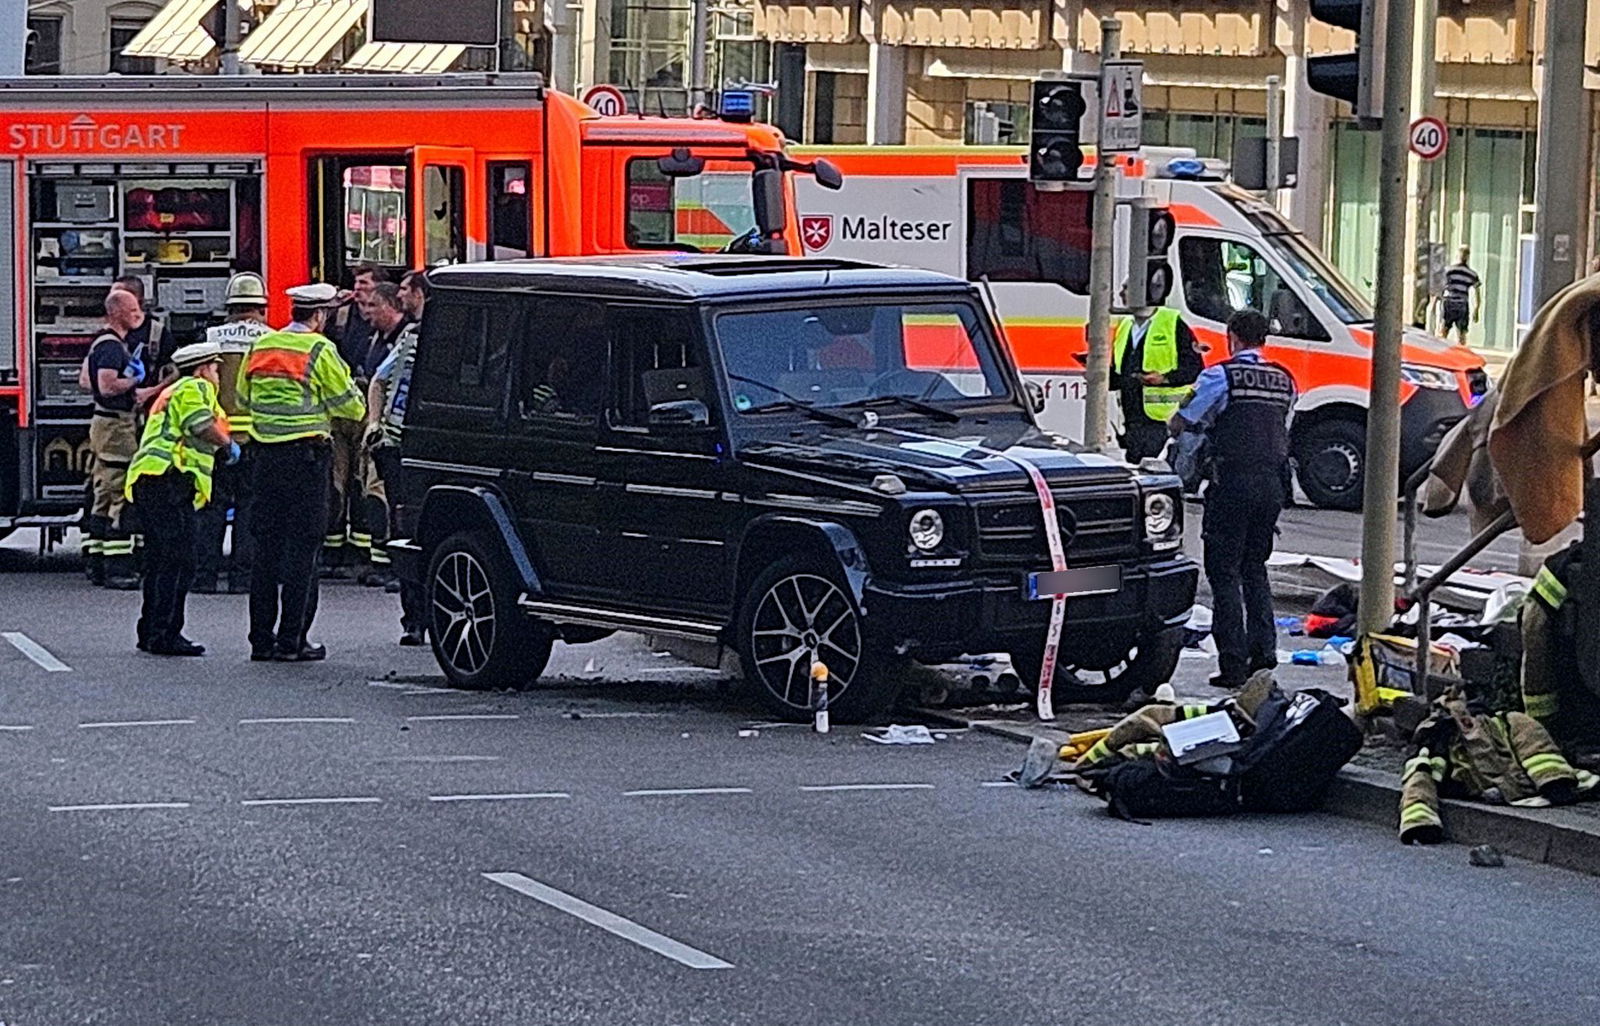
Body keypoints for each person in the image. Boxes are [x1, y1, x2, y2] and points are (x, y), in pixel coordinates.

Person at [238, 283, 366, 662]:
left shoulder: (261, 346)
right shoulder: (320, 350)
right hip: (306, 462)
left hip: (265, 460)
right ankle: (292, 640)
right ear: (320, 316)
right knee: (303, 551)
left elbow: (243, 398)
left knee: (266, 551)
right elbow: (351, 408)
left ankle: (261, 640)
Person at [1169, 309, 1297, 690]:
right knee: (1255, 567)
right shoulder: (1284, 380)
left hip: (1232, 481)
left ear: (1232, 337)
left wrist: (1182, 433)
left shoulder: (1220, 376)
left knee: (1224, 571)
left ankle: (1233, 663)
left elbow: (1183, 419)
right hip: (1272, 485)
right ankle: (1264, 652)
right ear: (1263, 340)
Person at [125, 342, 238, 656]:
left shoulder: (171, 391)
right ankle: (166, 634)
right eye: (215, 368)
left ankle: (151, 630)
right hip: (170, 478)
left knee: (159, 559)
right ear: (202, 369)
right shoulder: (194, 387)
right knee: (180, 560)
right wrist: (227, 445)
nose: (217, 375)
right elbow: (199, 424)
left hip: (152, 479)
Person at [194, 272, 273, 594]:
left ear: (229, 307)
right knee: (249, 509)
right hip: (256, 439)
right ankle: (243, 578)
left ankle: (205, 577)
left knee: (211, 508)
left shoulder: (210, 338)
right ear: (262, 308)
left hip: (217, 437)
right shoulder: (271, 339)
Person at [85, 289, 163, 589]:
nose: (138, 314)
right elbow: (106, 386)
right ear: (116, 312)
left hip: (106, 424)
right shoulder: (111, 347)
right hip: (116, 427)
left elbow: (87, 381)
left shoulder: (104, 343)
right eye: (132, 310)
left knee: (103, 494)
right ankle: (118, 568)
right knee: (120, 492)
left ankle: (96, 563)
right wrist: (134, 381)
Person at [366, 278, 426, 645]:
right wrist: (375, 424)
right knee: (404, 529)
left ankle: (428, 615)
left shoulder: (451, 337)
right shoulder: (410, 339)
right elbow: (379, 381)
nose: (401, 295)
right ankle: (414, 620)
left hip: (431, 446)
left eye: (406, 289)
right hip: (398, 445)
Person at [323, 264, 384, 578]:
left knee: (362, 480)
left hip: (365, 409)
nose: (358, 289)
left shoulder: (382, 320)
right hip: (340, 408)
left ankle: (361, 550)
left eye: (364, 283)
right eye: (357, 284)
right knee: (336, 479)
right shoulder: (342, 315)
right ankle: (333, 549)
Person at [354, 283, 410, 588]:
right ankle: (383, 561)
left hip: (397, 433)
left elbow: (382, 380)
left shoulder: (408, 339)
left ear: (390, 306)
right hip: (382, 431)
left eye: (373, 306)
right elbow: (377, 380)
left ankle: (390, 564)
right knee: (375, 493)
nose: (367, 312)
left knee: (385, 497)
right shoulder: (379, 338)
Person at [1110, 299, 1203, 462]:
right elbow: (1121, 373)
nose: (1123, 293)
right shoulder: (1125, 325)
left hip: (1162, 420)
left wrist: (1164, 378)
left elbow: (1193, 368)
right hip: (1132, 418)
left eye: (1127, 288)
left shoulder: (1172, 322)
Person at [1435, 245, 1482, 345]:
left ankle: (1441, 349)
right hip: (1461, 304)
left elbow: (1440, 287)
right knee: (1460, 334)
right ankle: (1459, 351)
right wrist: (1476, 308)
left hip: (1450, 302)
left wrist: (1436, 301)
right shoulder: (1471, 274)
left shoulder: (1448, 270)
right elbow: (1477, 291)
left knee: (1445, 331)